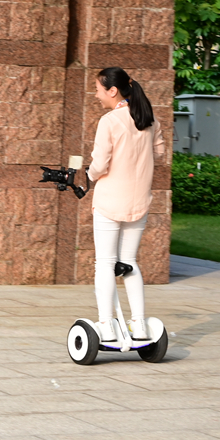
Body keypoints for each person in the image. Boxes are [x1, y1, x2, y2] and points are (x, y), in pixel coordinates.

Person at [86, 66, 166, 342]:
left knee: (105, 264)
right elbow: (160, 153)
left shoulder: (109, 121)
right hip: (139, 202)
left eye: (98, 90)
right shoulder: (149, 119)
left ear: (112, 90)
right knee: (129, 262)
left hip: (109, 202)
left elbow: (99, 165)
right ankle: (139, 325)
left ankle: (107, 326)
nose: (96, 95)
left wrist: (88, 175)